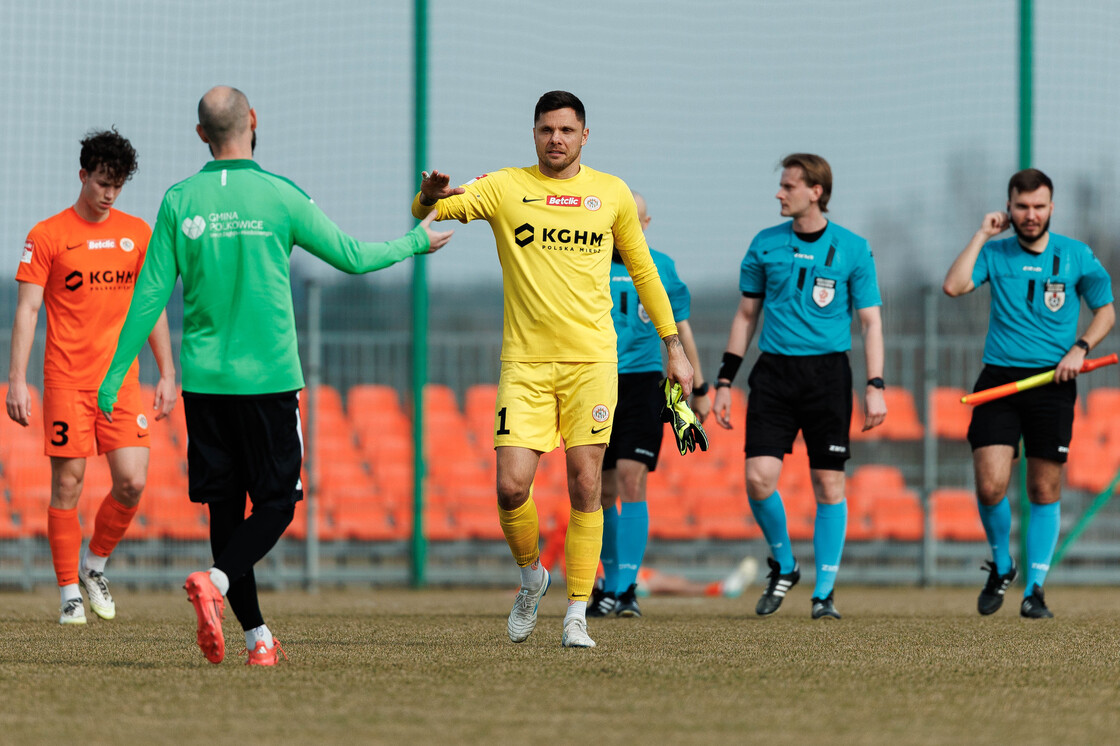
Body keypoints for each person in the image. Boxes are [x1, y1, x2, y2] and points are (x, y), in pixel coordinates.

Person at [98, 86, 453, 666]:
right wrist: (414, 241)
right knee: (279, 504)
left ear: (201, 134)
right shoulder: (280, 195)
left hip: (205, 385)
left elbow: (149, 296)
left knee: (224, 511)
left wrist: (115, 378)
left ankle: (257, 640)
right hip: (268, 382)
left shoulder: (179, 200)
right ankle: (216, 582)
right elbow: (353, 256)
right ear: (254, 120)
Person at [413, 91, 693, 648]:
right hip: (525, 364)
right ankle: (531, 578)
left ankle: (577, 614)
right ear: (534, 134)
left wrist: (674, 346)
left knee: (587, 484)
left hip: (592, 362)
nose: (556, 139)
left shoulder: (611, 193)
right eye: (546, 130)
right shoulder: (504, 187)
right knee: (510, 487)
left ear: (584, 135)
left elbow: (643, 270)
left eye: (566, 130)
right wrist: (427, 196)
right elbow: (427, 214)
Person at [7, 129, 177, 626]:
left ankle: (94, 565)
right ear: (82, 175)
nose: (109, 193)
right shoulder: (47, 235)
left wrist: (168, 371)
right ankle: (68, 594)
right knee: (68, 484)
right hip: (66, 381)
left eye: (118, 185)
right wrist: (16, 380)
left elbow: (151, 308)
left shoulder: (137, 234)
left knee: (132, 481)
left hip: (121, 383)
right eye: (103, 182)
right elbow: (28, 309)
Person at [713, 153, 886, 620]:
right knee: (757, 478)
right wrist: (725, 380)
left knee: (828, 483)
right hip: (773, 374)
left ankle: (824, 594)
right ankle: (785, 564)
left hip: (828, 377)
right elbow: (745, 316)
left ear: (816, 192)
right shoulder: (764, 244)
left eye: (789, 186)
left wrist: (875, 383)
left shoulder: (853, 248)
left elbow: (870, 323)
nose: (779, 193)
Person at [942, 168, 1114, 619]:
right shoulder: (995, 252)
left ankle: (1034, 589)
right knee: (989, 486)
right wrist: (981, 234)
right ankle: (1002, 566)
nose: (1031, 214)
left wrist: (1080, 348)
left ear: (1051, 208)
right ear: (1009, 208)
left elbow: (1105, 312)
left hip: (1053, 383)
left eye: (1039, 206)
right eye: (1022, 206)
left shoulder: (1076, 255)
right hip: (999, 381)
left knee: (1043, 487)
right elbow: (954, 286)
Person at [588, 191, 710, 619]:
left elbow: (680, 327)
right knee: (600, 489)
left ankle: (626, 589)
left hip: (642, 383)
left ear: (646, 223)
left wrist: (700, 385)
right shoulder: (588, 261)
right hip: (594, 380)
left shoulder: (662, 266)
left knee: (631, 478)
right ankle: (606, 585)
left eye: (634, 220)